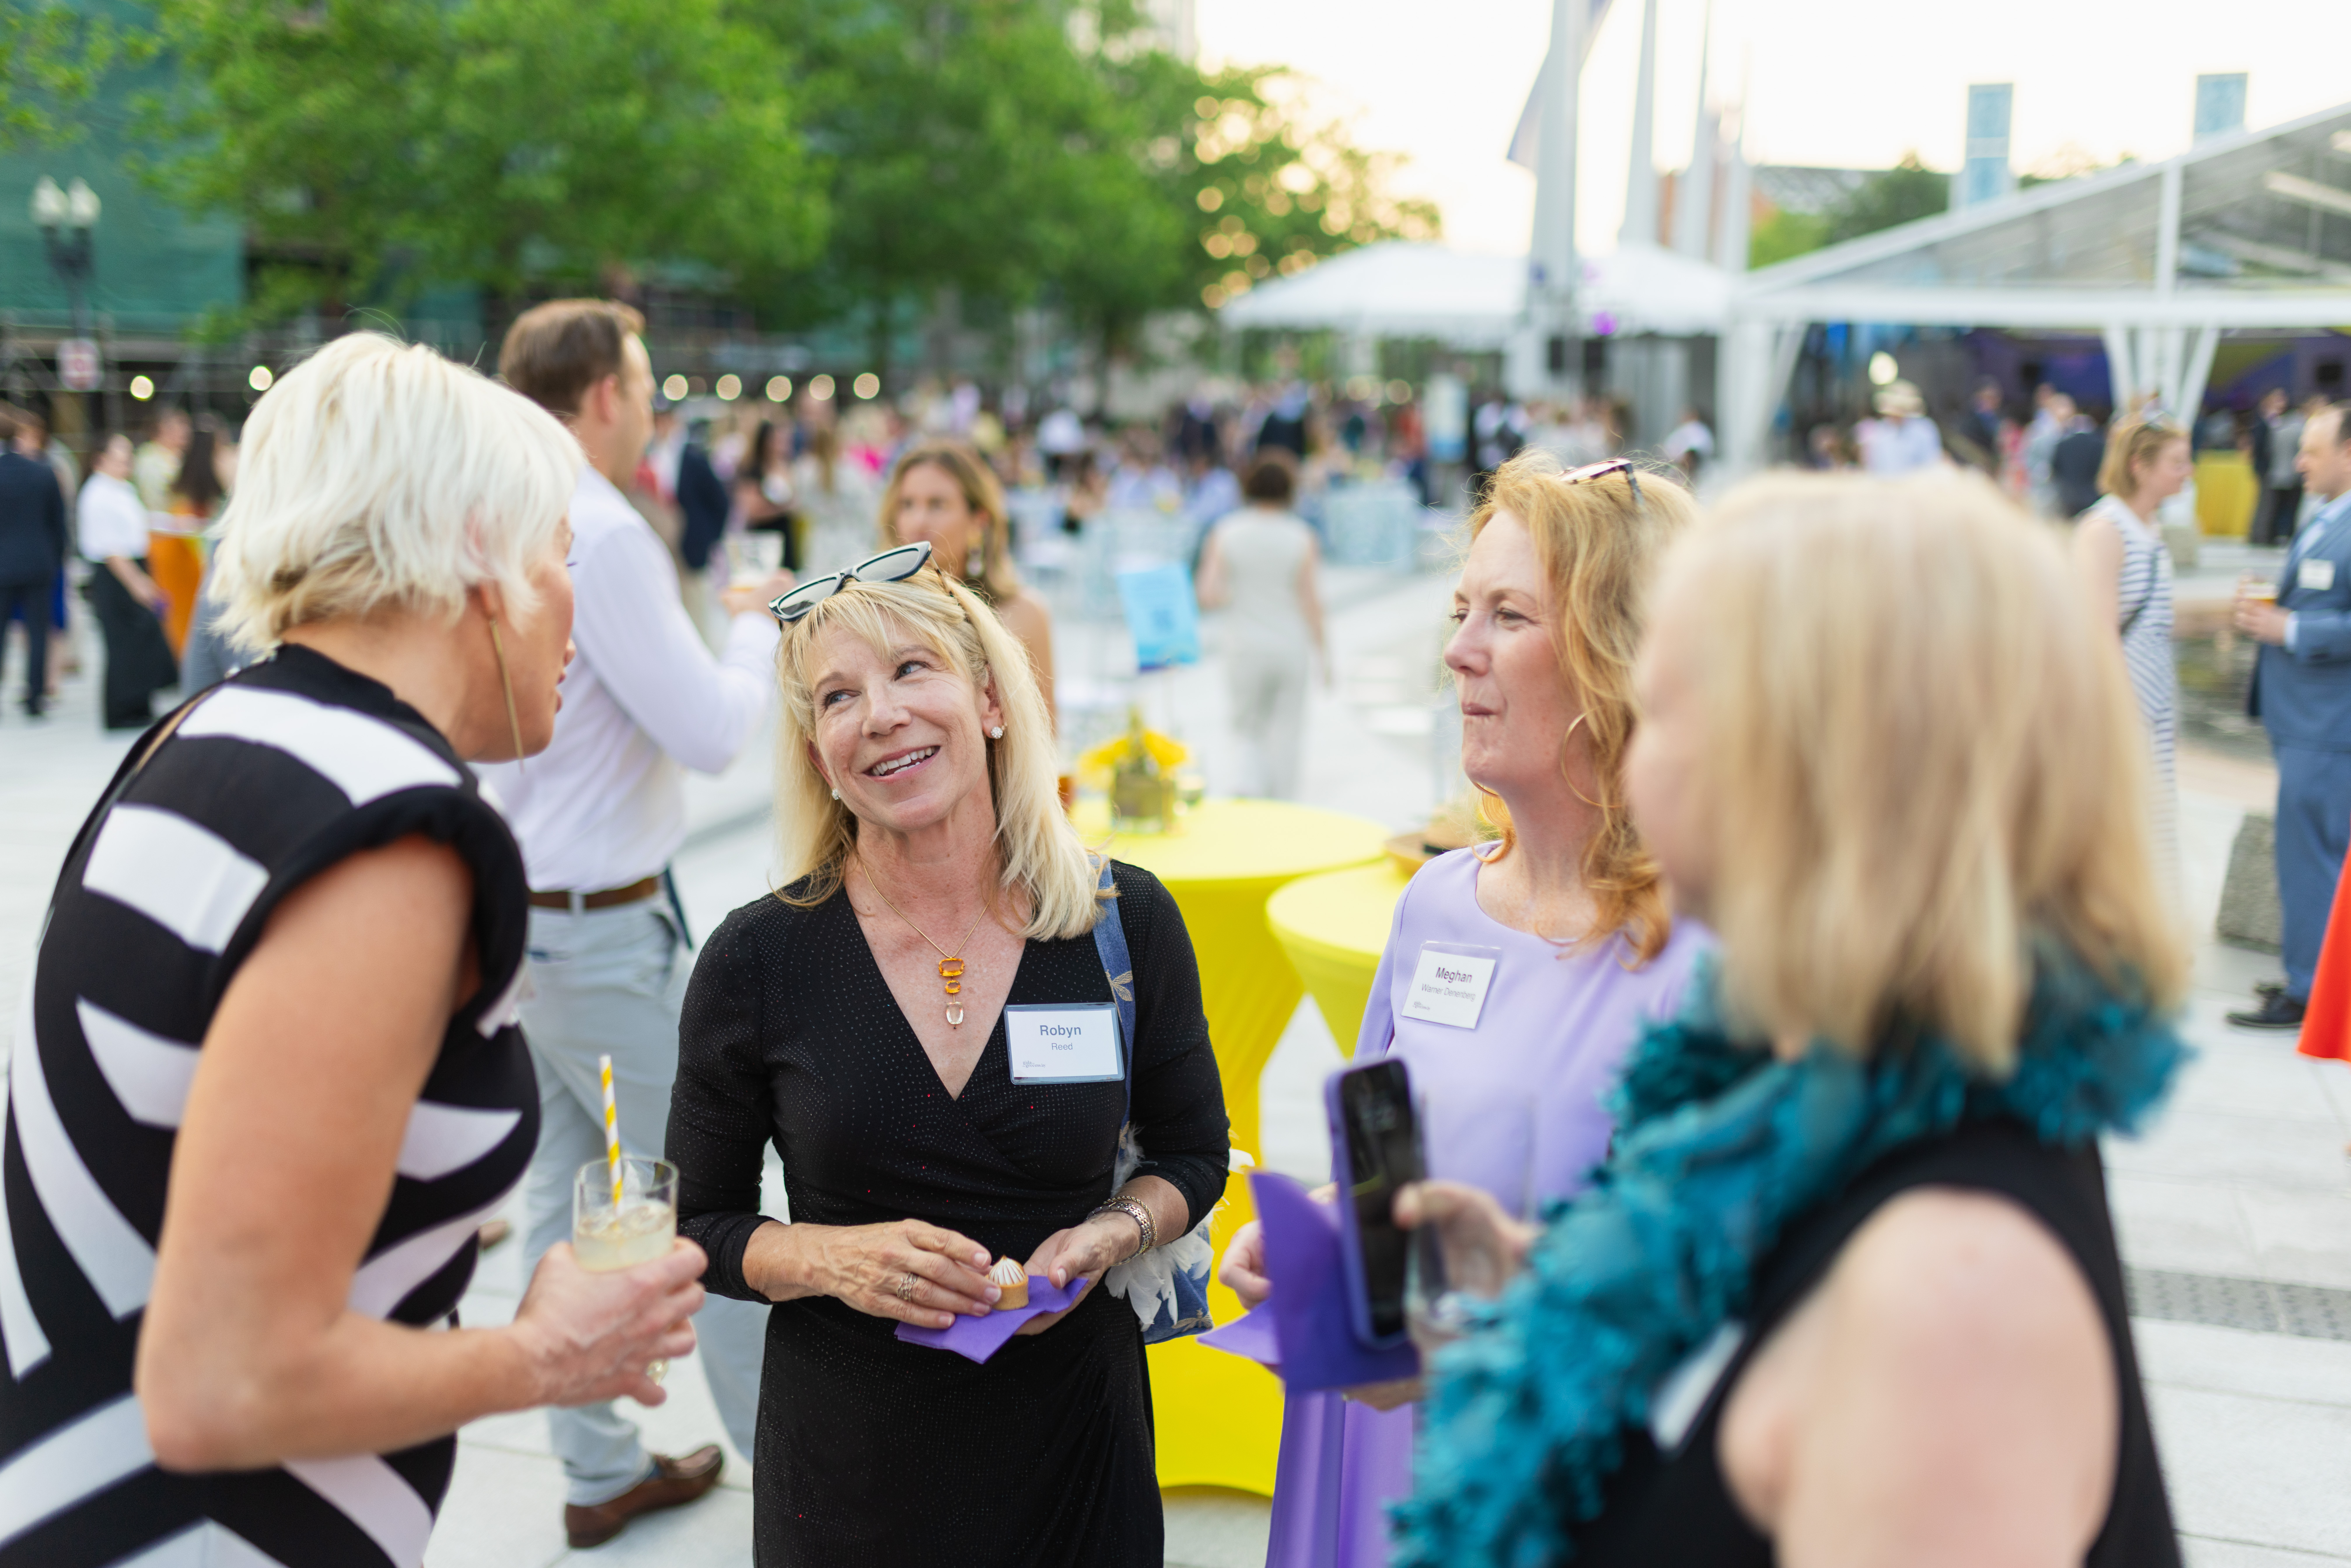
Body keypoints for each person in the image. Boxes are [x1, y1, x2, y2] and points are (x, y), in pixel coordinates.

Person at [1390, 470, 2187, 1568]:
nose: (1634, 744)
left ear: (1811, 770)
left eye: (1664, 709)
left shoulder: (1949, 1294)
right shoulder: (1830, 1087)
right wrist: (1541, 1282)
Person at [5, 331, 708, 1562]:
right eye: (561, 555)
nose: (574, 609)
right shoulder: (388, 822)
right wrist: (549, 1354)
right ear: (481, 561)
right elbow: (225, 1379)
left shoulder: (214, 735)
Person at [667, 545, 1230, 1567]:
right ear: (815, 752)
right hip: (850, 1470)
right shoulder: (758, 957)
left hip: (1074, 1446)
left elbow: (1193, 1152)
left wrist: (1111, 1230)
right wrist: (829, 1258)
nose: (879, 713)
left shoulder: (1121, 918)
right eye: (837, 695)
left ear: (990, 702)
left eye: (910, 670)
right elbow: (695, 1221)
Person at [1218, 452, 1710, 1568]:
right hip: (1369, 1438)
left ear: (1617, 654)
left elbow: (1709, 1306)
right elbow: (1382, 1169)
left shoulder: (1699, 954)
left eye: (1508, 615)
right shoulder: (1435, 903)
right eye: (1458, 610)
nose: (1456, 650)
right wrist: (1318, 1244)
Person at [477, 299, 791, 1546]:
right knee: (703, 1202)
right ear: (602, 391)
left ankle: (597, 1461)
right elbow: (713, 730)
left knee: (569, 1191)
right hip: (594, 933)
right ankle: (797, 1463)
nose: (656, 403)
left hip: (535, 921)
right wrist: (757, 619)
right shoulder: (594, 530)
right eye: (648, 380)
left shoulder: (504, 508)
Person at [2231, 401, 2351, 1031]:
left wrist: (2293, 625)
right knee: (2307, 857)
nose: (2298, 461)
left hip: (2330, 725)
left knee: (2314, 860)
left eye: (2313, 449)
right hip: (2308, 720)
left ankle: (2312, 994)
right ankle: (2312, 977)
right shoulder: (2327, 515)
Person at [2074, 414, 2193, 906]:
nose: (2188, 473)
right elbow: (2095, 634)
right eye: (2177, 463)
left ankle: (2148, 931)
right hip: (2117, 714)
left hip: (2150, 710)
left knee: (2149, 824)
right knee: (2114, 826)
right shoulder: (2105, 529)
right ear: (2139, 466)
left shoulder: (2147, 527)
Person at [878, 438, 1057, 728]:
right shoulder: (875, 614)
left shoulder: (1023, 614)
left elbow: (1046, 738)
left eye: (938, 504)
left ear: (978, 522)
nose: (918, 521)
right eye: (907, 505)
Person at [1194, 449, 1327, 799]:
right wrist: (1325, 656)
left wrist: (1237, 593)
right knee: (1287, 732)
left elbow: (1208, 594)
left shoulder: (1226, 531)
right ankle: (1284, 803)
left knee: (1245, 728)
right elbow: (1312, 601)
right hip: (1290, 645)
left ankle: (1246, 795)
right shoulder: (1302, 535)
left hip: (1244, 645)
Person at [77, 431, 180, 729]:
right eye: (120, 458)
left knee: (140, 641)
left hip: (133, 565)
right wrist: (139, 584)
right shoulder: (97, 494)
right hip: (116, 573)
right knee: (123, 644)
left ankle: (139, 704)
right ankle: (122, 711)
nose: (127, 464)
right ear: (101, 460)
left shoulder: (120, 489)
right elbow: (112, 550)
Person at [0, 405, 68, 719]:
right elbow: (59, 524)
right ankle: (36, 696)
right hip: (39, 564)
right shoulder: (43, 472)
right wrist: (55, 560)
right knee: (38, 632)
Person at [731, 417, 801, 572]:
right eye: (777, 441)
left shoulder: (785, 466)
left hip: (784, 534)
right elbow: (751, 511)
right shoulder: (752, 469)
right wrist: (784, 509)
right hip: (761, 538)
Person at [1855, 380, 1943, 475]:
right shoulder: (1877, 431)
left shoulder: (1925, 430)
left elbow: (1932, 464)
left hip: (1916, 485)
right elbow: (1871, 465)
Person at [2257, 388, 2307, 546]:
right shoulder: (2292, 427)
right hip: (2283, 474)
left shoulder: (2279, 427)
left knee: (2272, 509)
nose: (2281, 403)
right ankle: (2275, 537)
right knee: (2279, 509)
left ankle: (2267, 537)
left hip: (2277, 474)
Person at [2053, 407, 2109, 517]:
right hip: (2094, 498)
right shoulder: (2100, 443)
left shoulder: (2062, 445)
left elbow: (2055, 469)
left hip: (2069, 499)